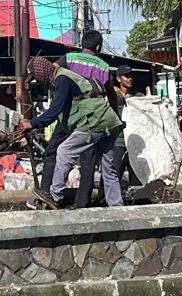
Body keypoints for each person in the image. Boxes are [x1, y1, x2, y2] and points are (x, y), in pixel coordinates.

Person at [22, 31, 125, 209]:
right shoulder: (102, 66)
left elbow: (55, 109)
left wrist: (33, 123)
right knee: (107, 168)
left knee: (61, 151)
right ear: (98, 47)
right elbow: (111, 95)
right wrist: (116, 117)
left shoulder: (64, 72)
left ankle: (53, 196)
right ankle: (117, 208)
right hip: (108, 119)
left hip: (91, 120)